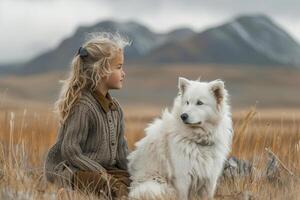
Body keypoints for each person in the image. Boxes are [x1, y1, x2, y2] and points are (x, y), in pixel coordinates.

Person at [44, 32, 131, 199]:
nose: (124, 73)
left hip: (104, 171)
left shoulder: (116, 109)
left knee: (138, 185)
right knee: (113, 189)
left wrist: (136, 173)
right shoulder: (83, 107)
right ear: (101, 70)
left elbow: (121, 151)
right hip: (74, 171)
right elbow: (71, 151)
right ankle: (68, 194)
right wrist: (101, 173)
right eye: (119, 67)